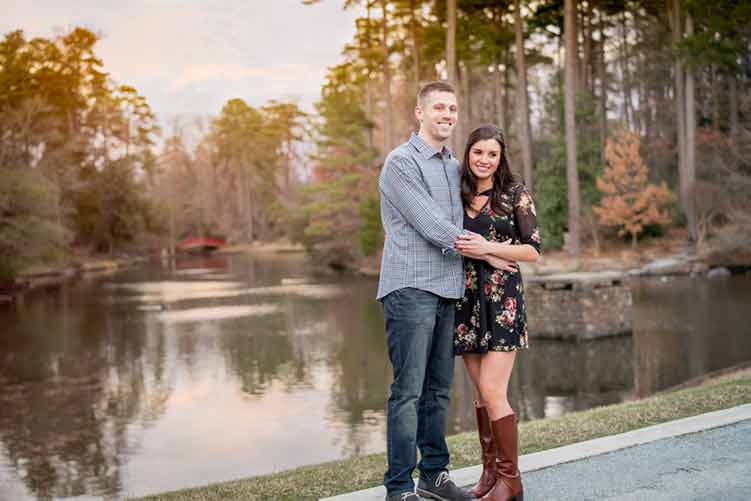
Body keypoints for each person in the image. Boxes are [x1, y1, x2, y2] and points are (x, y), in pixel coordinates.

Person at [377, 83, 511, 501]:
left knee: (438, 389)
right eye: (439, 107)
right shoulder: (400, 163)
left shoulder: (455, 166)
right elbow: (430, 223)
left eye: (453, 108)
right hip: (410, 287)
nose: (447, 114)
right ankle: (399, 489)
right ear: (419, 112)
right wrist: (488, 253)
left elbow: (481, 210)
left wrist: (513, 240)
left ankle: (433, 478)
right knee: (408, 391)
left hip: (448, 289)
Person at [453, 124, 541, 501]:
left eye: (492, 154)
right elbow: (450, 240)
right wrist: (485, 253)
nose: (484, 160)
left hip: (502, 299)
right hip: (465, 299)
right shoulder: (455, 193)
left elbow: (532, 250)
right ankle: (490, 474)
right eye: (478, 152)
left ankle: (511, 481)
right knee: (479, 394)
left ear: (501, 157)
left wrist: (490, 248)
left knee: (492, 389)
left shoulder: (515, 194)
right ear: (468, 153)